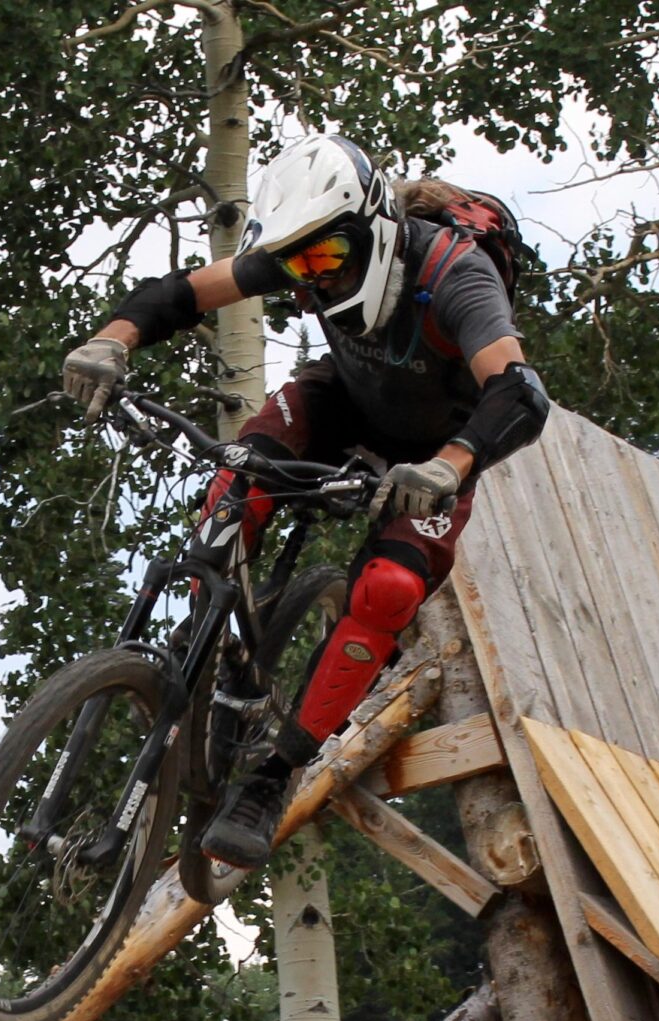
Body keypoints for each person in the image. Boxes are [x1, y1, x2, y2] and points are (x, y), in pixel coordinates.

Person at [60, 134, 552, 869]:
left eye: (325, 262)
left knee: (387, 588)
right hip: (341, 403)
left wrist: (450, 467)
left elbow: (519, 393)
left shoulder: (458, 278)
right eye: (295, 268)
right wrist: (111, 340)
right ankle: (210, 642)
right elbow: (182, 293)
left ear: (376, 228)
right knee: (236, 481)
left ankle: (271, 777)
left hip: (439, 452)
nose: (310, 284)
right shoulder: (311, 247)